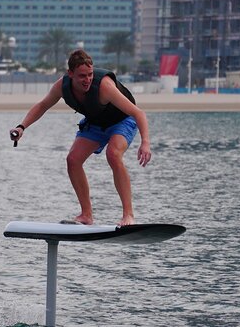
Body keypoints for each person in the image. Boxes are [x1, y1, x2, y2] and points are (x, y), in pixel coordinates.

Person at [10, 49, 151, 226]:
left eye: (90, 74)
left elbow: (138, 113)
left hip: (122, 121)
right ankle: (86, 215)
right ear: (70, 74)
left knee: (113, 155)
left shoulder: (104, 86)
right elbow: (43, 105)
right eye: (82, 76)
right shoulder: (62, 86)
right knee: (73, 159)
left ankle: (128, 216)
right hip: (95, 123)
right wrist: (21, 127)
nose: (87, 80)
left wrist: (145, 142)